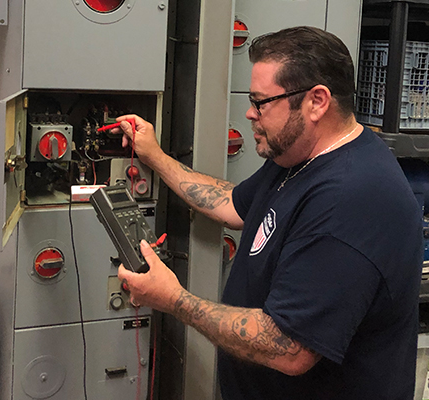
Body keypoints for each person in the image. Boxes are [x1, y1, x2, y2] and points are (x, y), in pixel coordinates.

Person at [114, 26, 423, 399]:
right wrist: (156, 157)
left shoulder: (353, 199)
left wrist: (173, 299)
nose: (249, 113)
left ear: (317, 101)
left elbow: (288, 347)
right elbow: (233, 204)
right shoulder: (297, 154)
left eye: (261, 102)